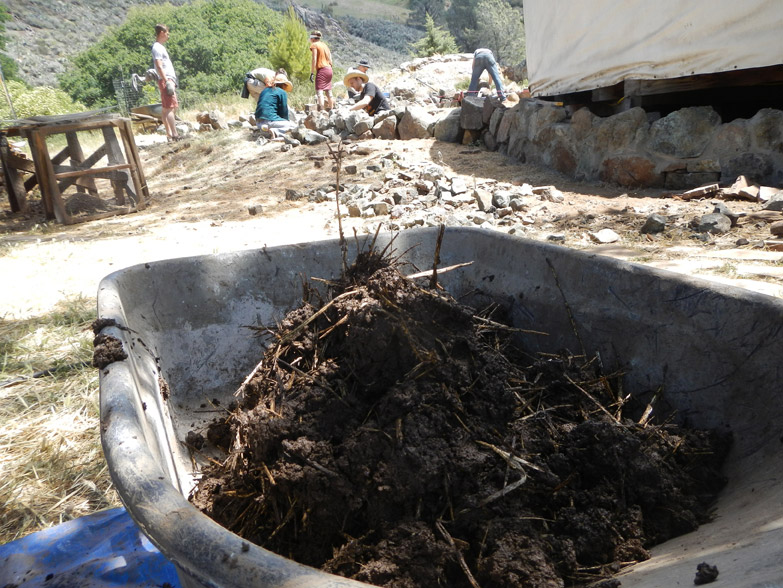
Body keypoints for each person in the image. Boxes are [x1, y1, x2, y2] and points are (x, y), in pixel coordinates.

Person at [151, 24, 181, 142]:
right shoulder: (157, 47)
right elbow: (158, 65)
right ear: (162, 33)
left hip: (167, 79)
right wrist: (166, 80)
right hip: (166, 79)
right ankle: (174, 134)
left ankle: (169, 134)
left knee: (165, 108)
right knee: (170, 107)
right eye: (167, 33)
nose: (168, 36)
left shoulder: (159, 47)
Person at [255, 73, 297, 138]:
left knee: (269, 124)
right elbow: (284, 113)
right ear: (284, 85)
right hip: (270, 121)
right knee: (294, 127)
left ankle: (266, 129)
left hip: (258, 122)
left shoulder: (264, 90)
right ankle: (275, 131)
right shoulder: (282, 92)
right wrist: (285, 121)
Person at [309, 30, 334, 111]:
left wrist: (312, 72)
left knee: (319, 91)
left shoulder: (314, 45)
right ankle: (332, 109)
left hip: (322, 69)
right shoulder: (325, 45)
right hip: (329, 69)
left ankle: (322, 110)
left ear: (312, 38)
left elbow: (314, 59)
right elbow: (330, 58)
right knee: (328, 91)